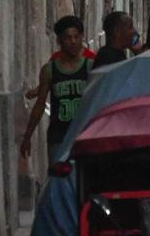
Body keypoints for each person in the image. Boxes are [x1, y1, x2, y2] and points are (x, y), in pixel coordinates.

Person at [19, 16, 95, 161]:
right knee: (58, 179)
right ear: (59, 40)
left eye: (76, 37)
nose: (73, 42)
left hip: (85, 136)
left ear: (81, 38)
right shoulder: (49, 70)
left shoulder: (91, 66)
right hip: (59, 138)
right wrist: (27, 136)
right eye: (68, 38)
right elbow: (40, 104)